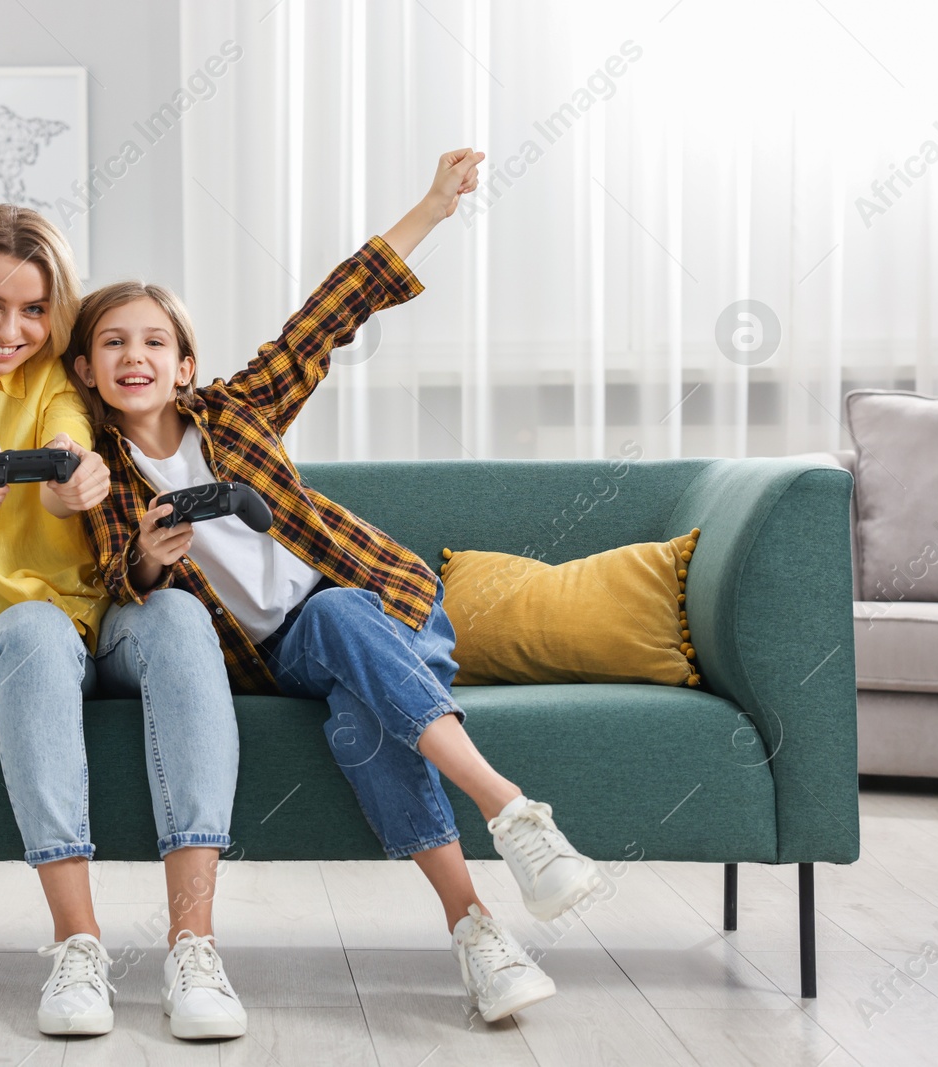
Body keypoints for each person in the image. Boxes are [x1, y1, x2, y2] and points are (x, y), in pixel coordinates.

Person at [69, 151, 604, 1023]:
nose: (136, 355)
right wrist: (154, 559)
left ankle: (486, 899)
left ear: (186, 363)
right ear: (87, 369)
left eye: (154, 341)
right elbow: (115, 579)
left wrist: (431, 206)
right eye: (114, 342)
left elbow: (330, 311)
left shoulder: (239, 411)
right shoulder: (104, 478)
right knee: (354, 711)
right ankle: (508, 841)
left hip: (386, 604)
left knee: (350, 647)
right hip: (283, 656)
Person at [0, 204, 245, 1039]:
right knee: (31, 624)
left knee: (174, 611)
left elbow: (76, 445)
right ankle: (78, 946)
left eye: (33, 310)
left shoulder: (56, 370)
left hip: (97, 623)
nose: (11, 329)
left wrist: (80, 481)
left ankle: (194, 947)